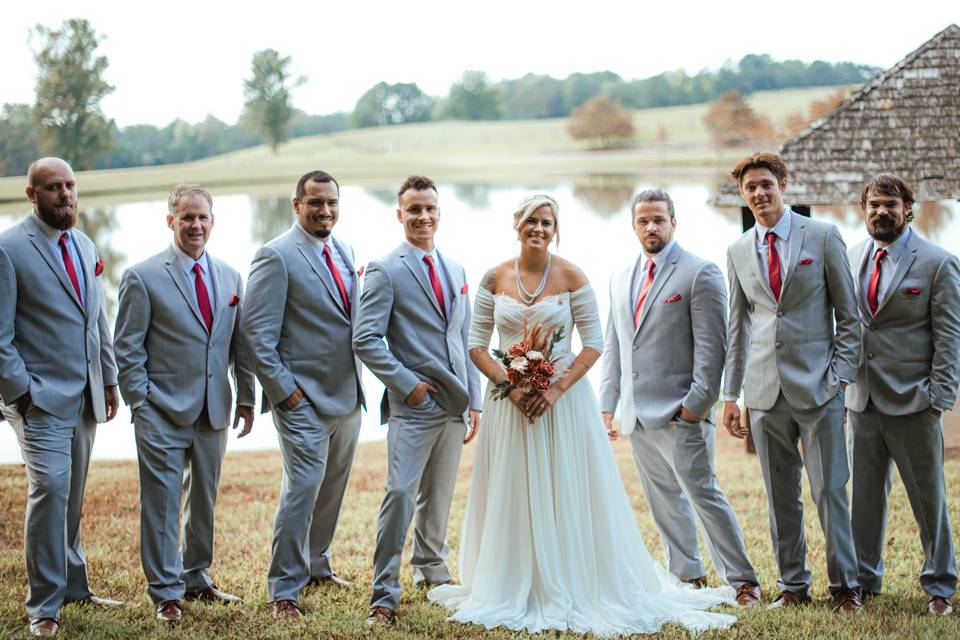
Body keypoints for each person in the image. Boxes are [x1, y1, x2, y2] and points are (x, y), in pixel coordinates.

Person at [427, 194, 737, 635]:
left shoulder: (573, 274)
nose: (539, 228)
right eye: (532, 220)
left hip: (563, 405)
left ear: (556, 228)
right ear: (516, 224)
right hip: (509, 408)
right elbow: (476, 344)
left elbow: (594, 343)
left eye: (547, 222)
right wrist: (510, 386)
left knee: (566, 487)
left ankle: (575, 578)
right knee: (513, 488)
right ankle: (514, 578)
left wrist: (553, 389)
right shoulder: (494, 276)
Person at [599, 189, 760, 607]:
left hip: (681, 412)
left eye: (659, 219)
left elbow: (713, 349)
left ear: (674, 222)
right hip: (637, 415)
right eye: (643, 220)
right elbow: (616, 348)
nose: (651, 227)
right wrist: (607, 405)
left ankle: (743, 581)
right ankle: (687, 574)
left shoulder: (699, 272)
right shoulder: (620, 277)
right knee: (663, 501)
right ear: (633, 225)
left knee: (704, 495)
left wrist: (696, 407)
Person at [721, 152, 862, 612]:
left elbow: (850, 318)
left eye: (766, 184)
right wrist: (731, 394)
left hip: (819, 389)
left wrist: (839, 380)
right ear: (743, 195)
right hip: (763, 393)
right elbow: (737, 327)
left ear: (783, 183)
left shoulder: (822, 236)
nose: (759, 193)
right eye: (750, 188)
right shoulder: (739, 250)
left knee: (829, 491)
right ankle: (793, 587)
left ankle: (846, 589)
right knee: (780, 496)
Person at [113, 184, 256, 622]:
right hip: (161, 410)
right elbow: (126, 349)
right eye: (187, 217)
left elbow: (239, 344)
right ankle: (166, 592)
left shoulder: (231, 277)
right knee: (162, 502)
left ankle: (197, 576)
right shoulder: (142, 276)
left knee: (204, 501)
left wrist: (247, 397)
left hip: (214, 409)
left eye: (203, 218)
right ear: (170, 220)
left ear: (213, 222)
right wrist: (142, 402)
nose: (195, 225)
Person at [0, 157, 122, 637]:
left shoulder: (85, 242)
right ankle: (43, 606)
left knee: (70, 499)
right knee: (49, 491)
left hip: (86, 394)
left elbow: (98, 320)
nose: (65, 195)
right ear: (32, 195)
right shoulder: (9, 248)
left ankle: (75, 588)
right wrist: (22, 394)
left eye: (70, 186)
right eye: (53, 188)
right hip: (39, 399)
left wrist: (109, 381)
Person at [354, 175, 481, 626]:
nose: (422, 216)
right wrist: (407, 384)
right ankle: (383, 594)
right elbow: (366, 339)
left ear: (440, 211)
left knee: (440, 495)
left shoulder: (457, 269)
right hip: (413, 404)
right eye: (414, 210)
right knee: (401, 495)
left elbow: (465, 339)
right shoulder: (384, 269)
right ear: (399, 214)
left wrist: (475, 402)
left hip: (454, 406)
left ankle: (432, 570)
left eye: (429, 208)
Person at [242, 170, 365, 620]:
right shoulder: (275, 255)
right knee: (302, 489)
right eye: (315, 203)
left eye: (332, 202)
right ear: (297, 205)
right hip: (302, 400)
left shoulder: (345, 250)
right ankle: (283, 589)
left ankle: (317, 565)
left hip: (347, 397)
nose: (325, 210)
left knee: (332, 487)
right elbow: (256, 335)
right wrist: (286, 394)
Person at [845, 174, 959, 615]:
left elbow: (950, 337)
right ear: (864, 209)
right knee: (864, 499)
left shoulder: (938, 262)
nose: (882, 211)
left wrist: (938, 398)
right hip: (862, 402)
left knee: (928, 500)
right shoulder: (851, 258)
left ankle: (940, 585)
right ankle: (865, 580)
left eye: (891, 204)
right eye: (874, 204)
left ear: (908, 208)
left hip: (915, 402)